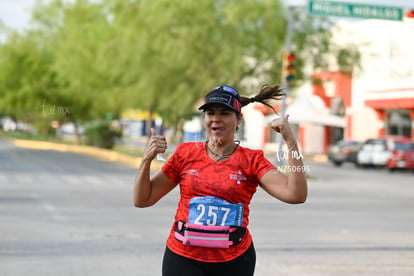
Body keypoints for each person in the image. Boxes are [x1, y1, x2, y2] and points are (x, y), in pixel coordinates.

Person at [134, 85, 308, 276]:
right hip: (182, 257)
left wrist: (291, 143)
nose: (216, 119)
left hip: (234, 260)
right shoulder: (185, 153)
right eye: (210, 113)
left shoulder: (252, 160)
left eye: (224, 113)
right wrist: (146, 160)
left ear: (238, 119)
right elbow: (143, 199)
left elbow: (296, 195)